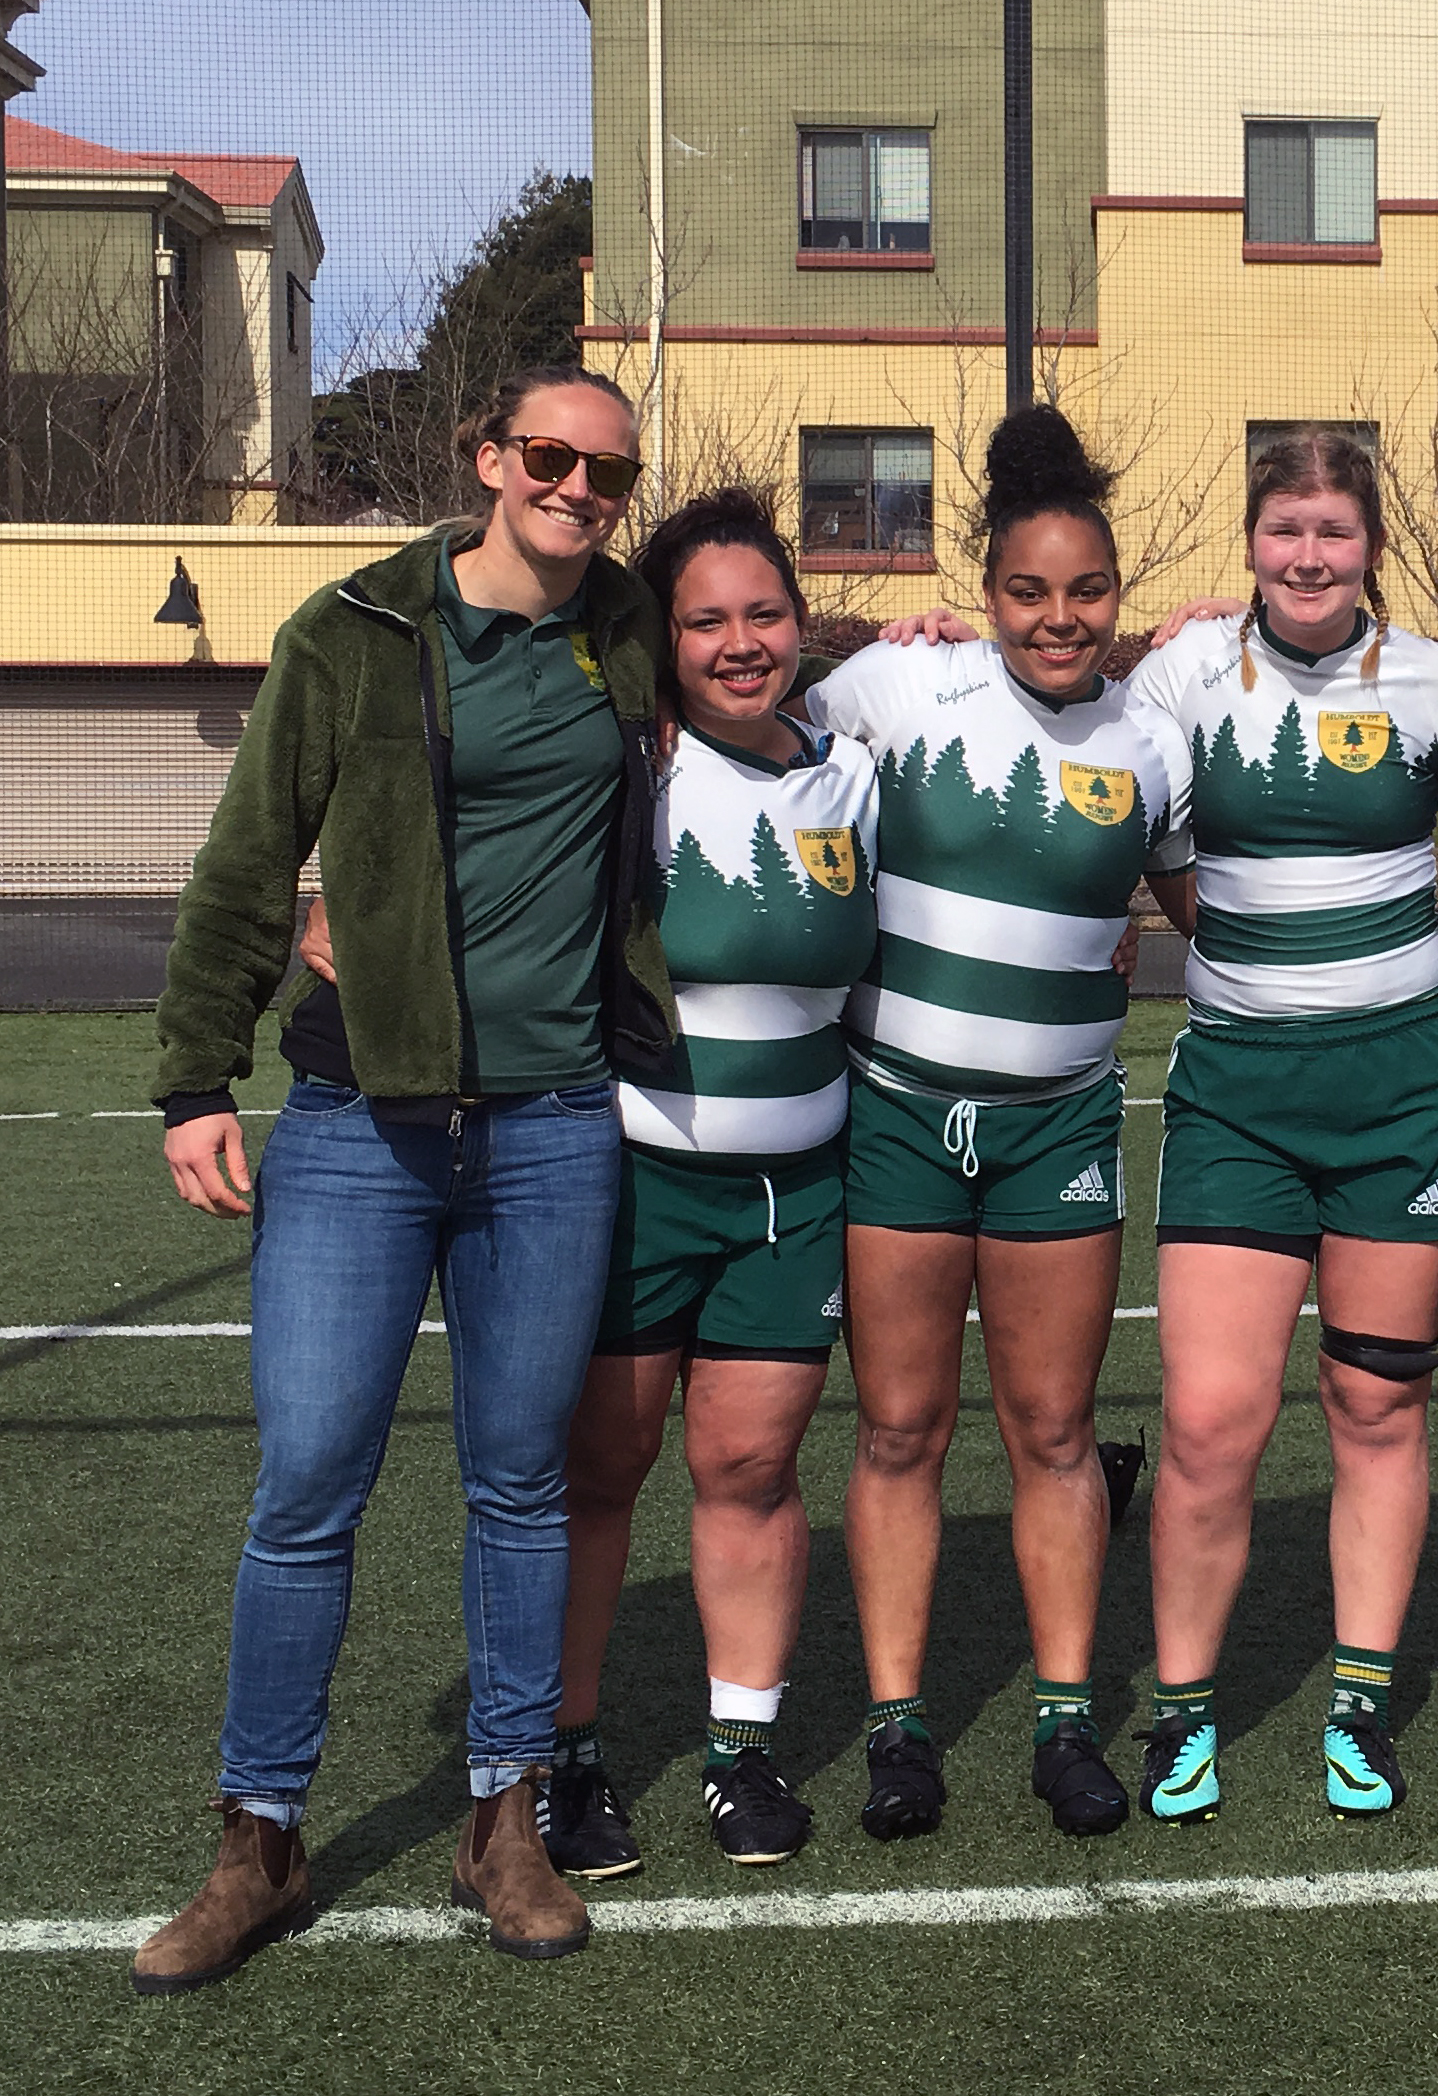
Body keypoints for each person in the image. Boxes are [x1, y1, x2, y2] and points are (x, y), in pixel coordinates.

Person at [136, 367, 665, 1990]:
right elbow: (250, 850)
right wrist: (190, 1078)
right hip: (360, 1128)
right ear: (490, 460)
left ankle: (502, 1821)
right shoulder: (352, 628)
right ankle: (261, 1839)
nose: (580, 488)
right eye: (553, 457)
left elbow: (764, 672)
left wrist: (910, 653)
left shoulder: (628, 632)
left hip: (557, 1126)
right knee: (307, 1489)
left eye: (611, 472)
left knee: (517, 1485)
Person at [806, 405, 1193, 1840]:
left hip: (1059, 1131)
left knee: (1053, 1428)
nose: (1058, 618)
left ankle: (1064, 1722)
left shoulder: (1156, 738)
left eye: (1085, 591)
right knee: (900, 1427)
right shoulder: (892, 692)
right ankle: (899, 1732)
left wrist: (1385, 944)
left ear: (1117, 595)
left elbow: (1205, 914)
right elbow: (738, 741)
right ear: (986, 597)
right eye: (1028, 592)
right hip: (899, 1119)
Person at [1125, 426, 1438, 1824]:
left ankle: (1358, 1705)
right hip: (1235, 1091)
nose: (1307, 556)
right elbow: (1158, 855)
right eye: (1285, 529)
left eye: (1333, 533)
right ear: (1250, 541)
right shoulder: (1175, 674)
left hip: (1401, 1090)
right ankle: (1182, 1714)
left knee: (1374, 1404)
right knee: (1212, 1421)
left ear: (1370, 549)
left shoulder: (1437, 683)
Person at [538, 489, 879, 1876]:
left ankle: (740, 1752)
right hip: (634, 1181)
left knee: (748, 1466)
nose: (741, 642)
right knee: (604, 1469)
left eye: (764, 613)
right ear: (661, 641)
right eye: (705, 620)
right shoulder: (633, 767)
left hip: (799, 1190)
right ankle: (563, 1757)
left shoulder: (856, 770)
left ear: (801, 621)